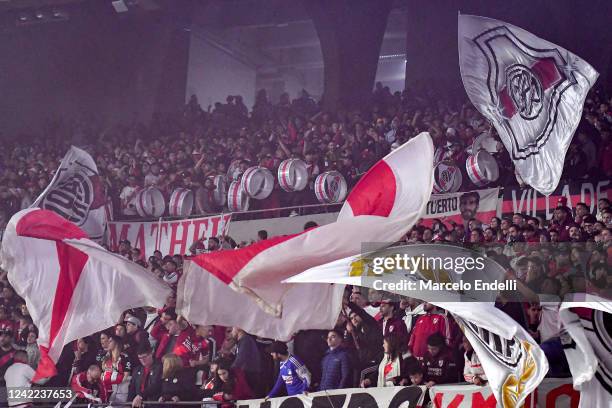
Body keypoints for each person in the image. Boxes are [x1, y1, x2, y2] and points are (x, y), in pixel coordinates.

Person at [128, 343, 162, 407]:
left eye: (144, 357)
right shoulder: (137, 370)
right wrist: (129, 404)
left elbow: (157, 385)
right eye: (140, 358)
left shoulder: (160, 367)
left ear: (151, 353)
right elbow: (132, 388)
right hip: (139, 404)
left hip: (154, 404)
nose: (142, 360)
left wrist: (141, 395)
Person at [230, 327, 262, 396]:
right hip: (248, 373)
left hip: (250, 374)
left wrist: (230, 370)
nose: (231, 332)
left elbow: (240, 358)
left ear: (238, 328)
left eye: (232, 329)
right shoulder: (242, 341)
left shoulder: (246, 340)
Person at [101, 334, 132, 403]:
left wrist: (117, 388)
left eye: (110, 341)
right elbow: (103, 372)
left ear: (117, 343)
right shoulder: (106, 357)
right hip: (106, 389)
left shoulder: (124, 357)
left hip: (120, 390)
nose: (108, 343)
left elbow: (126, 375)